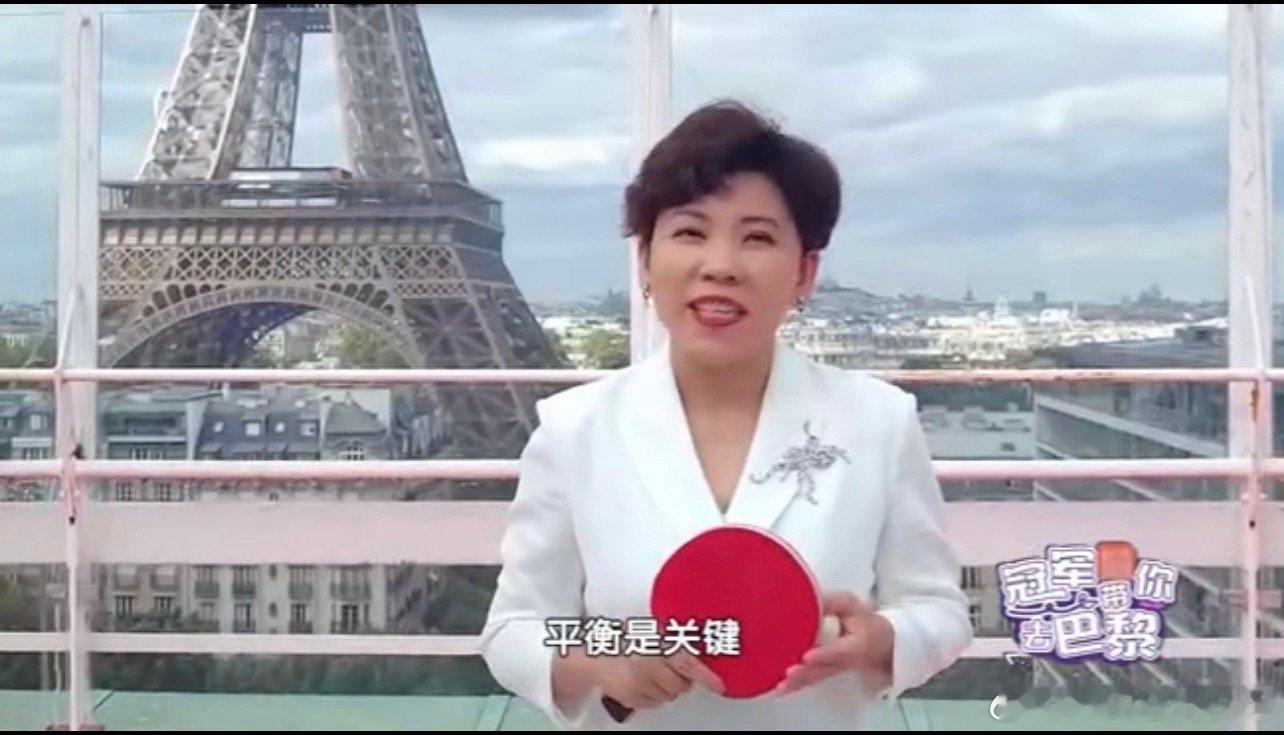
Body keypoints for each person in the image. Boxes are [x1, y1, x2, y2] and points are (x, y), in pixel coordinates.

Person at [479, 99, 972, 729]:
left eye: (757, 238)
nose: (720, 266)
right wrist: (601, 663)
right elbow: (514, 629)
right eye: (690, 232)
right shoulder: (574, 428)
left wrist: (884, 640)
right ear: (646, 261)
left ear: (805, 272)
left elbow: (940, 612)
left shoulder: (878, 421)